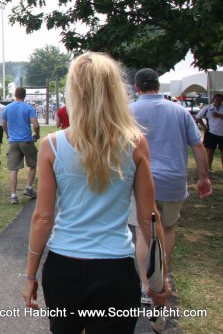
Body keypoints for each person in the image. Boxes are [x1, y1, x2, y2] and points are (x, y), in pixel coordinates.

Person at [23, 52, 170, 333]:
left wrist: (30, 275)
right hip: (116, 267)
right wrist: (159, 277)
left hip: (64, 266)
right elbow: (149, 218)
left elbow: (43, 217)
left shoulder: (51, 145)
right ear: (115, 90)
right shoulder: (135, 144)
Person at [130, 68, 212, 303]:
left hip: (141, 181)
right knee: (167, 228)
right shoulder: (179, 110)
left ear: (137, 87)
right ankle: (161, 276)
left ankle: (146, 286)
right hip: (174, 179)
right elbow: (197, 145)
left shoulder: (130, 111)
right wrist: (203, 176)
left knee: (143, 233)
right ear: (158, 85)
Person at [2, 87, 40, 204]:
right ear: (25, 95)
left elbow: (4, 124)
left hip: (13, 142)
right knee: (32, 165)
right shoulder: (29, 108)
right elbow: (36, 125)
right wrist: (36, 135)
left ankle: (13, 195)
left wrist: (8, 134)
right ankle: (28, 187)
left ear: (14, 94)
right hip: (26, 141)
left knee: (14, 169)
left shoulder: (7, 108)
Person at [196, 93, 223, 172]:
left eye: (220, 100)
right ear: (213, 100)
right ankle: (208, 168)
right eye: (217, 99)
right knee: (210, 151)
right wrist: (204, 127)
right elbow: (198, 117)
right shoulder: (208, 108)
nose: (218, 101)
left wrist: (219, 115)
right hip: (211, 132)